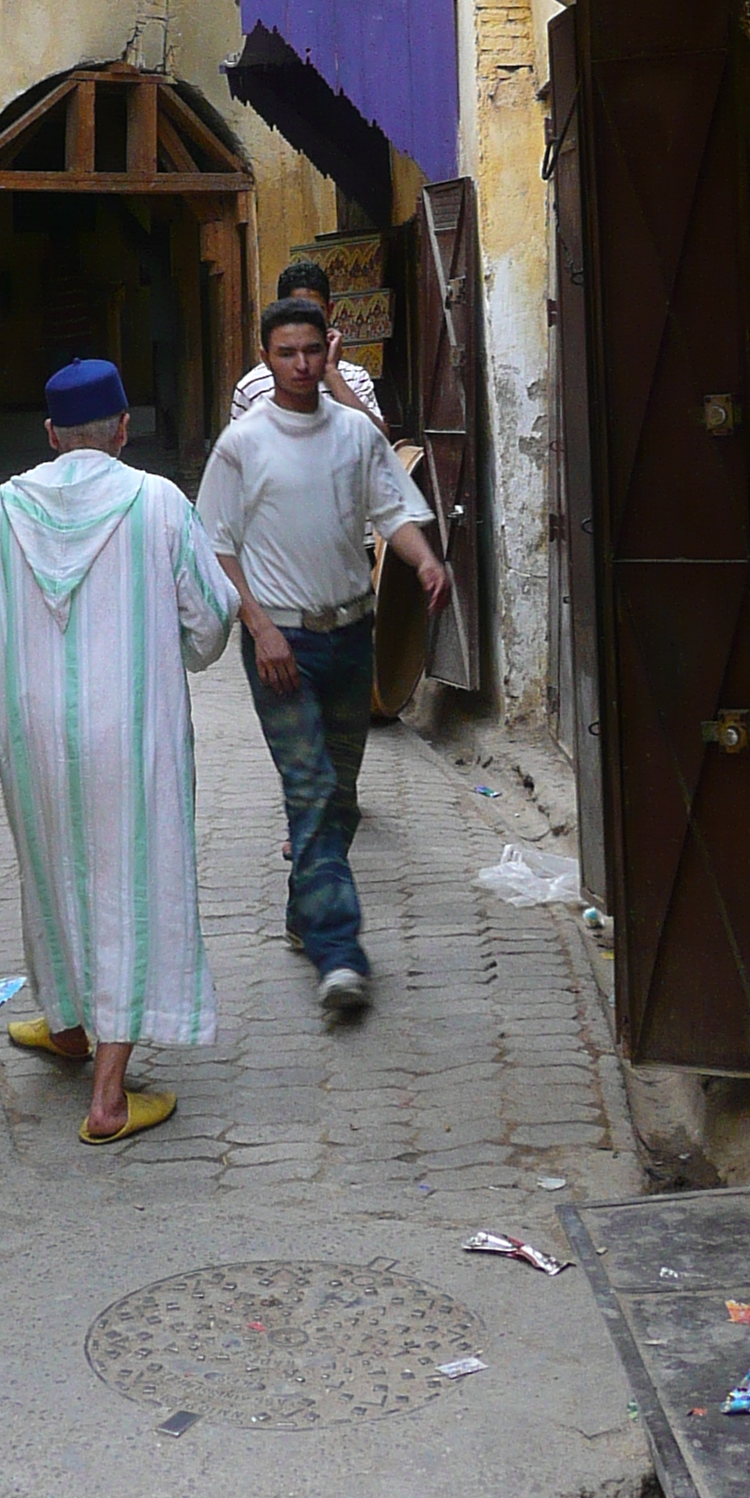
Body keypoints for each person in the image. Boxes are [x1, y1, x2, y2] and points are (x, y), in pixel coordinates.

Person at [0, 356, 238, 1144]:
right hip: (130, 729)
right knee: (129, 886)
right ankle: (106, 1093)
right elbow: (211, 622)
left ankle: (71, 1024)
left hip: (32, 731)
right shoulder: (159, 502)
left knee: (56, 870)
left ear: (49, 435)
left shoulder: (7, 506)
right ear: (121, 429)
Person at [197, 299, 449, 1019]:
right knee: (307, 789)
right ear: (266, 357)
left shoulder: (355, 435)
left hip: (350, 635)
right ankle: (340, 954)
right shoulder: (242, 444)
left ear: (326, 351)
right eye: (287, 353)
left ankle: (305, 912)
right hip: (281, 645)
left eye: (313, 351)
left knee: (335, 797)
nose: (302, 365)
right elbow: (214, 543)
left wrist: (426, 562)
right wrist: (260, 627)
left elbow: (392, 512)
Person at [229, 256, 387, 433]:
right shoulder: (252, 387)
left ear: (329, 311)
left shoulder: (354, 379)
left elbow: (377, 440)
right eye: (299, 311)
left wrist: (331, 373)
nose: (308, 321)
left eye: (316, 311)